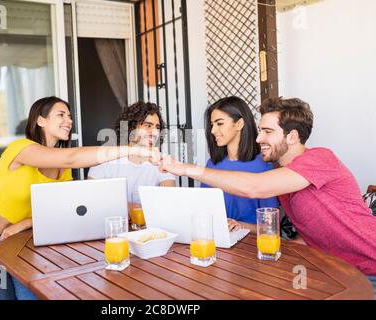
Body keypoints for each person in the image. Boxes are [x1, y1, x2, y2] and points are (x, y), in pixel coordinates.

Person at [160, 97, 376, 291]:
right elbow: (311, 231)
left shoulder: (320, 158)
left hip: (370, 268)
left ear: (292, 136)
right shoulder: (283, 178)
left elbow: (255, 187)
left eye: (268, 132)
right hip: (335, 271)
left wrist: (184, 168)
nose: (258, 139)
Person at [0, 96, 161, 300]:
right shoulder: (20, 149)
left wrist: (24, 224)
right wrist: (133, 149)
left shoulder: (62, 169)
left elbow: (59, 213)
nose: (69, 120)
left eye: (70, 116)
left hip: (27, 250)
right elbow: (71, 157)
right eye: (61, 114)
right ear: (40, 120)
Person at [201, 96, 278, 233]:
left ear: (239, 124)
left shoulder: (263, 166)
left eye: (219, 123)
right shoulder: (212, 165)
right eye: (212, 124)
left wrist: (240, 225)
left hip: (250, 247)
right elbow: (204, 213)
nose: (212, 130)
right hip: (218, 242)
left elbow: (270, 228)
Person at [88, 101, 175, 205]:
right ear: (131, 127)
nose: (155, 132)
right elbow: (92, 200)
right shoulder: (106, 158)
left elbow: (167, 202)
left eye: (157, 127)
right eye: (148, 125)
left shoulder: (163, 161)